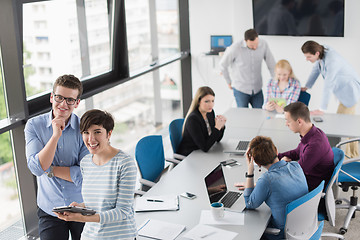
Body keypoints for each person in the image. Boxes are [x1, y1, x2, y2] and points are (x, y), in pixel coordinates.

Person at [55, 109, 137, 239]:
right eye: (86, 133)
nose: (91, 139)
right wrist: (80, 207)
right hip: (90, 236)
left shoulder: (125, 163)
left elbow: (123, 211)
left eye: (97, 132)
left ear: (108, 134)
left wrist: (81, 218)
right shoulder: (86, 163)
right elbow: (97, 203)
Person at [25, 74, 89, 240]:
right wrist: (55, 136)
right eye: (59, 97)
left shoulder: (84, 129)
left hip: (81, 206)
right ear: (51, 97)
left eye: (70, 100)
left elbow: (87, 174)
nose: (63, 104)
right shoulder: (34, 126)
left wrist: (51, 169)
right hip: (50, 208)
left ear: (77, 103)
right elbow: (37, 168)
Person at [301, 40, 360, 158]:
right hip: (342, 91)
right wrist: (307, 86)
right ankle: (352, 155)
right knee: (344, 124)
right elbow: (316, 70)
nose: (307, 59)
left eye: (308, 56)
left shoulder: (332, 61)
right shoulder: (322, 52)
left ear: (316, 53)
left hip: (350, 91)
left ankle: (352, 157)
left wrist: (322, 108)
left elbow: (328, 84)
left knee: (345, 126)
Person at [243, 136, 308, 240]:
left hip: (283, 233)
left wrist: (250, 172)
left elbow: (250, 204)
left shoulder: (266, 180)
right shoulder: (296, 165)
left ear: (257, 162)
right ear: (276, 150)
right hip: (305, 225)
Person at [278, 102, 334, 191]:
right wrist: (275, 156)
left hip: (312, 187)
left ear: (299, 121)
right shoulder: (312, 133)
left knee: (272, 184)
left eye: (288, 121)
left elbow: (297, 173)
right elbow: (296, 152)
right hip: (308, 178)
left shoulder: (315, 144)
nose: (286, 124)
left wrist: (282, 163)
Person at [219, 29, 276, 108]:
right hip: (241, 89)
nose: (255, 47)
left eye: (256, 44)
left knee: (260, 114)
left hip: (257, 89)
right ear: (245, 41)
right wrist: (228, 82)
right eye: (252, 46)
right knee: (243, 116)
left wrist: (276, 80)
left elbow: (271, 64)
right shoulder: (235, 48)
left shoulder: (263, 44)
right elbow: (222, 65)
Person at [177, 86, 226, 156]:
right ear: (199, 102)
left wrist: (221, 126)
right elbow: (205, 147)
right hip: (190, 155)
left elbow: (216, 139)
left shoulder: (210, 113)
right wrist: (217, 127)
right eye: (207, 101)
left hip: (201, 153)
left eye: (212, 101)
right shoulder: (193, 119)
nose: (211, 104)